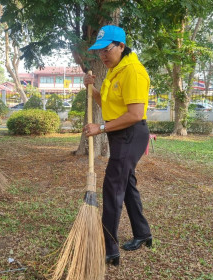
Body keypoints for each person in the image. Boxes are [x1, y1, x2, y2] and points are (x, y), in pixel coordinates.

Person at [83, 25, 152, 266]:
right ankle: (143, 233)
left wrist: (100, 129)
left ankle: (108, 247)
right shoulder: (116, 69)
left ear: (121, 46)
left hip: (131, 134)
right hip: (121, 133)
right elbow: (108, 105)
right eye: (99, 51)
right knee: (126, 183)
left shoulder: (132, 71)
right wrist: (91, 88)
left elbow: (134, 114)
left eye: (107, 49)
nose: (103, 55)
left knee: (113, 187)